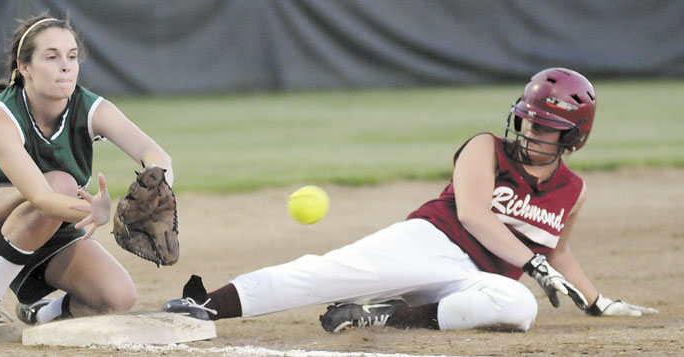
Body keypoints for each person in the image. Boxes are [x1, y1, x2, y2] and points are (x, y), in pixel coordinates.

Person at [162, 68, 657, 333]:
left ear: (574, 137)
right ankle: (207, 303)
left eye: (546, 128)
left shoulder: (574, 191)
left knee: (518, 307)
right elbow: (473, 215)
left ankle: (384, 314)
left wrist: (594, 302)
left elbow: (558, 250)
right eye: (527, 120)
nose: (530, 132)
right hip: (432, 244)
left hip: (476, 282)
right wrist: (535, 265)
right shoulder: (486, 147)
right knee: (328, 271)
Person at [0, 15, 173, 343]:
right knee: (60, 184)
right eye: (52, 57)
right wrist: (106, 215)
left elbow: (154, 153)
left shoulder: (90, 107)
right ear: (24, 67)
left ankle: (40, 313)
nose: (66, 66)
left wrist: (156, 191)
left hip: (42, 209)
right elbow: (42, 197)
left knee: (116, 297)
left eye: (72, 56)